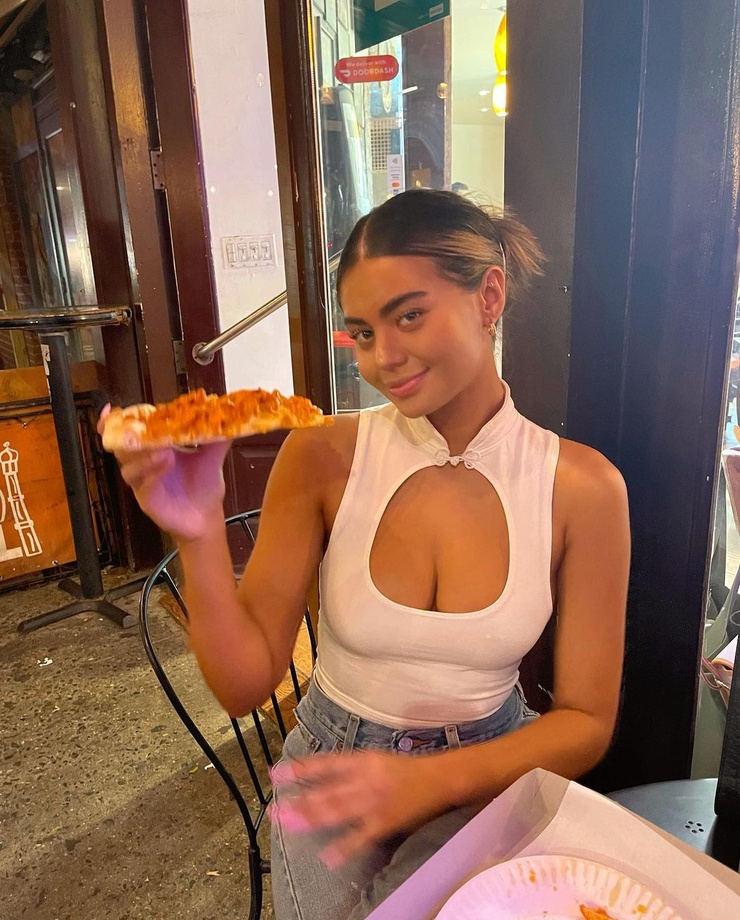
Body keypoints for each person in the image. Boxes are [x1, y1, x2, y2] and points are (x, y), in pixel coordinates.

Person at [104, 188, 630, 920]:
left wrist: (429, 782)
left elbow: (586, 720)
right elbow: (242, 686)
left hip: (492, 766)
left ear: (489, 296)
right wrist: (197, 534)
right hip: (334, 764)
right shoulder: (322, 454)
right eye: (361, 332)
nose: (385, 357)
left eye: (408, 315)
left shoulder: (583, 488)